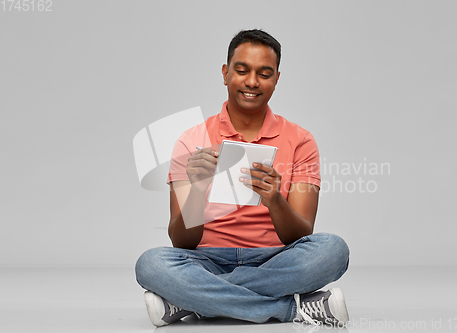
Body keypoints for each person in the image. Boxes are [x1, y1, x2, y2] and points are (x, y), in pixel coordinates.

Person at [135, 29, 350, 327]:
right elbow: (181, 241)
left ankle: (192, 301)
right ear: (225, 74)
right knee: (151, 264)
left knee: (333, 251)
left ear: (276, 79)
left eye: (264, 73)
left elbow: (300, 235)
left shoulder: (301, 140)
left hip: (276, 259)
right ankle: (291, 310)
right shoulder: (192, 140)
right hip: (205, 261)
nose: (252, 82)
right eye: (241, 70)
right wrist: (198, 189)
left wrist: (275, 199)